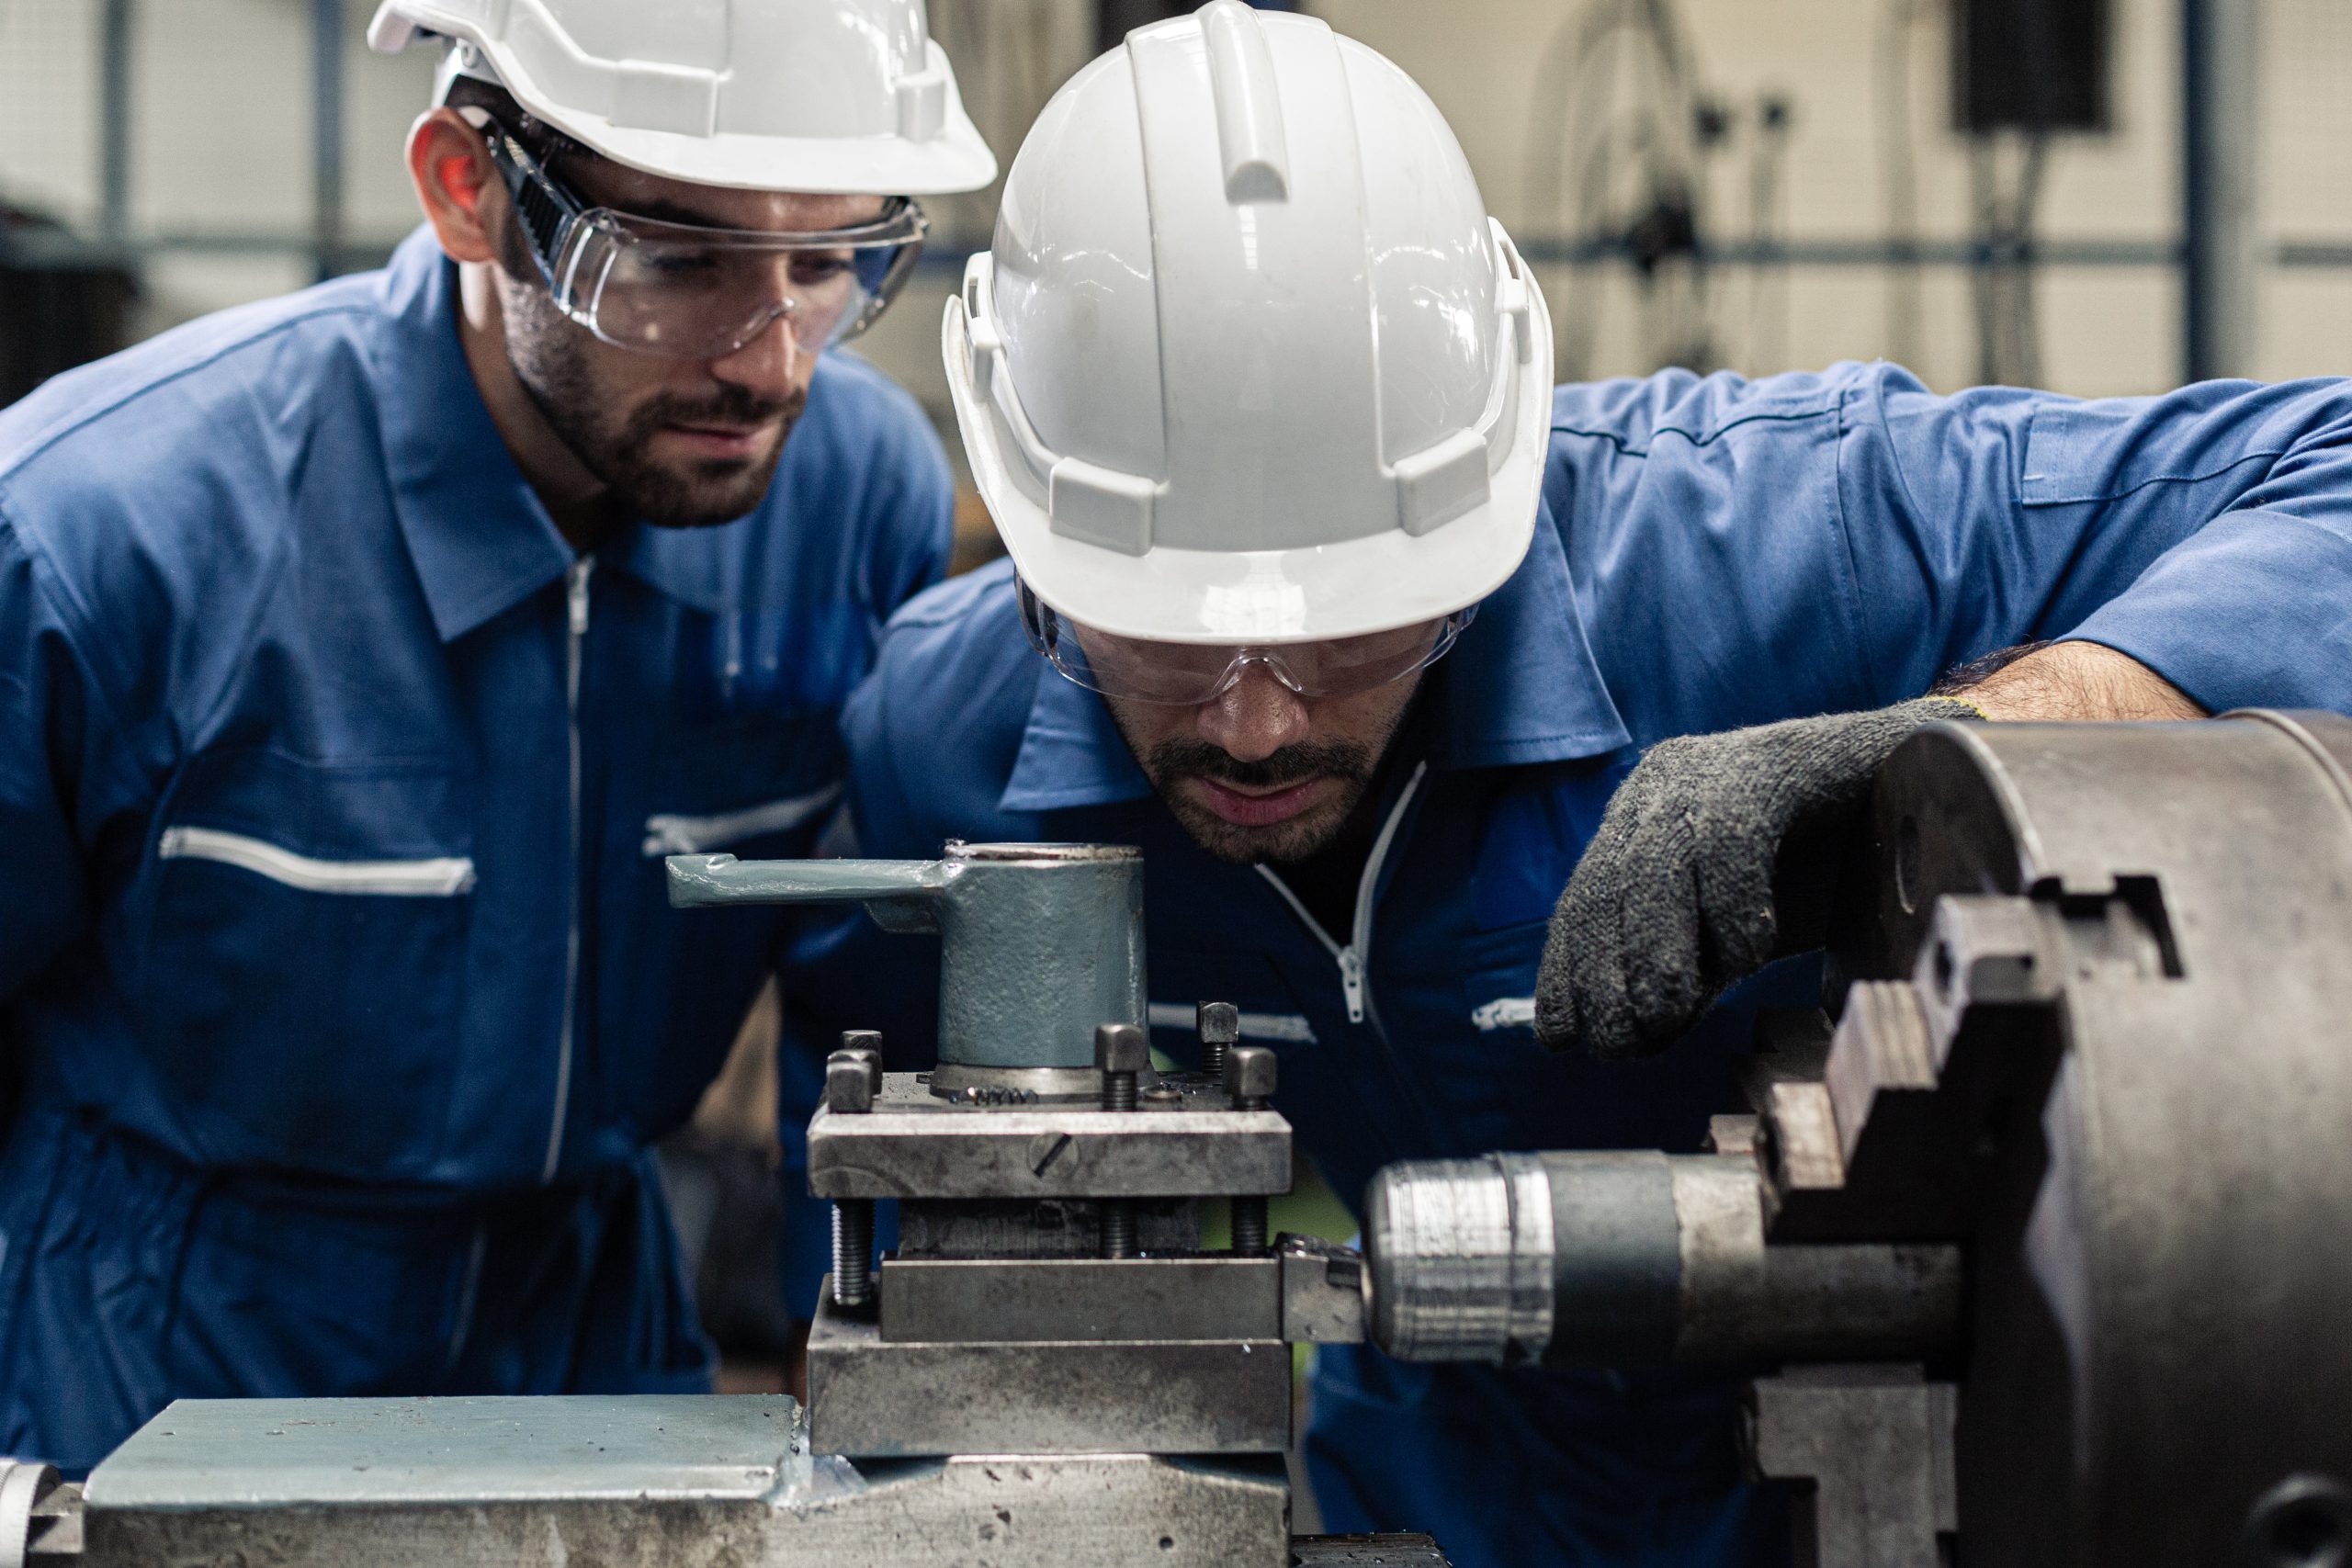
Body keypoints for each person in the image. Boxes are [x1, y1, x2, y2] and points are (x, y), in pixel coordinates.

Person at [774, 5, 2352, 1566]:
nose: (1254, 729)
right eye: (1163, 643)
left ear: (1483, 504)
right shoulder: (953, 741)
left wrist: (1974, 738)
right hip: (1435, 1484)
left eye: (1350, 630)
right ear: (1039, 561)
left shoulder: (1786, 546)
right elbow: (892, 1226)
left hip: (1914, 1479)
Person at [0, 0, 995, 1472]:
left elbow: (869, 1012)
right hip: (149, 1369)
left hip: (592, 1354)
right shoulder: (103, 533)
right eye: (675, 258)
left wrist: (868, 1400)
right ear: (469, 190)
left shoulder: (852, 502)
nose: (771, 359)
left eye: (830, 257)